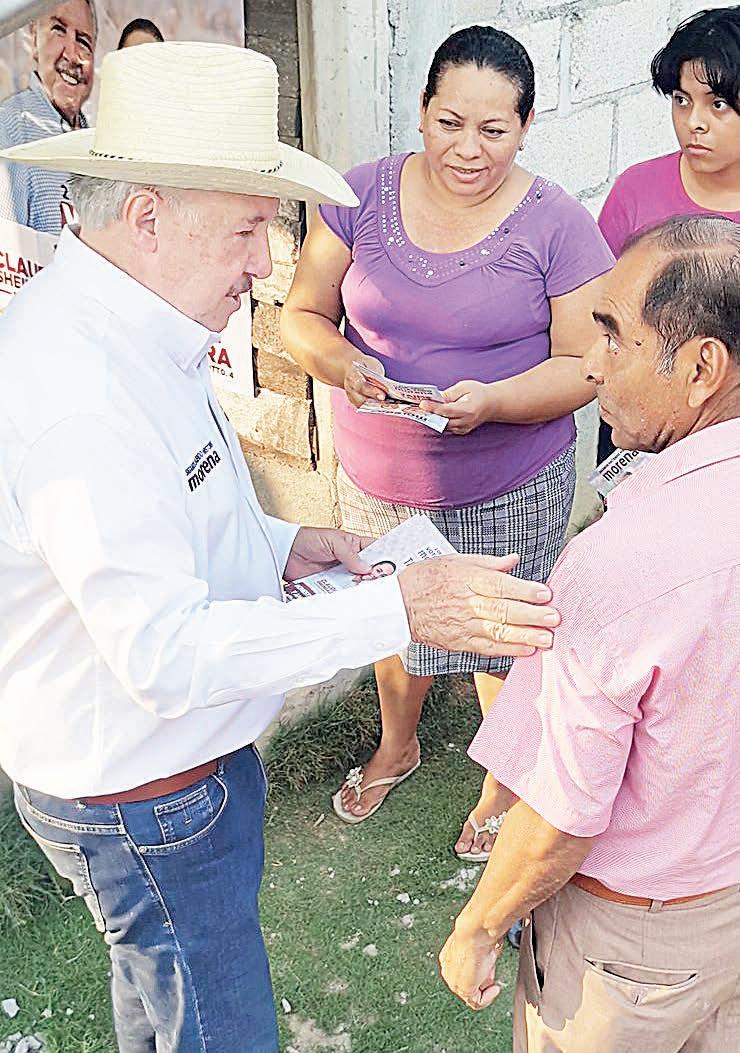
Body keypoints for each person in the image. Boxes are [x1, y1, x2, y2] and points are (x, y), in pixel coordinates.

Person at [0, 42, 565, 1053]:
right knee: (215, 1019)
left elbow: (168, 512)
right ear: (147, 217)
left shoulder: (130, 324)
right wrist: (397, 607)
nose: (265, 265)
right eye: (247, 231)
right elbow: (166, 654)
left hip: (164, 771)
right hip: (148, 791)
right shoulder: (82, 393)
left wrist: (283, 539)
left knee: (165, 990)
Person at [282, 24, 613, 853]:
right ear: (422, 109)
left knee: (500, 639)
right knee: (391, 617)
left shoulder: (557, 223)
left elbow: (585, 365)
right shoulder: (361, 193)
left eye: (493, 129)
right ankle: (397, 744)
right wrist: (344, 363)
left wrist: (494, 402)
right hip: (377, 475)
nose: (468, 148)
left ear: (525, 126)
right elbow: (302, 314)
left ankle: (502, 782)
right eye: (449, 122)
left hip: (509, 479)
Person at [438, 215, 740, 1053]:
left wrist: (477, 926)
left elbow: (561, 813)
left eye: (613, 334)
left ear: (701, 369)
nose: (592, 362)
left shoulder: (621, 564)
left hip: (633, 948)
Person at [596, 5, 740, 462]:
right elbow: (600, 315)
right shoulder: (636, 190)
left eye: (718, 104)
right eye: (682, 100)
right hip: (635, 425)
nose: (694, 121)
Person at [0, 0, 95, 234]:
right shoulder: (9, 128)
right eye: (58, 30)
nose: (72, 54)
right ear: (34, 40)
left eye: (84, 41)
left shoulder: (96, 141)